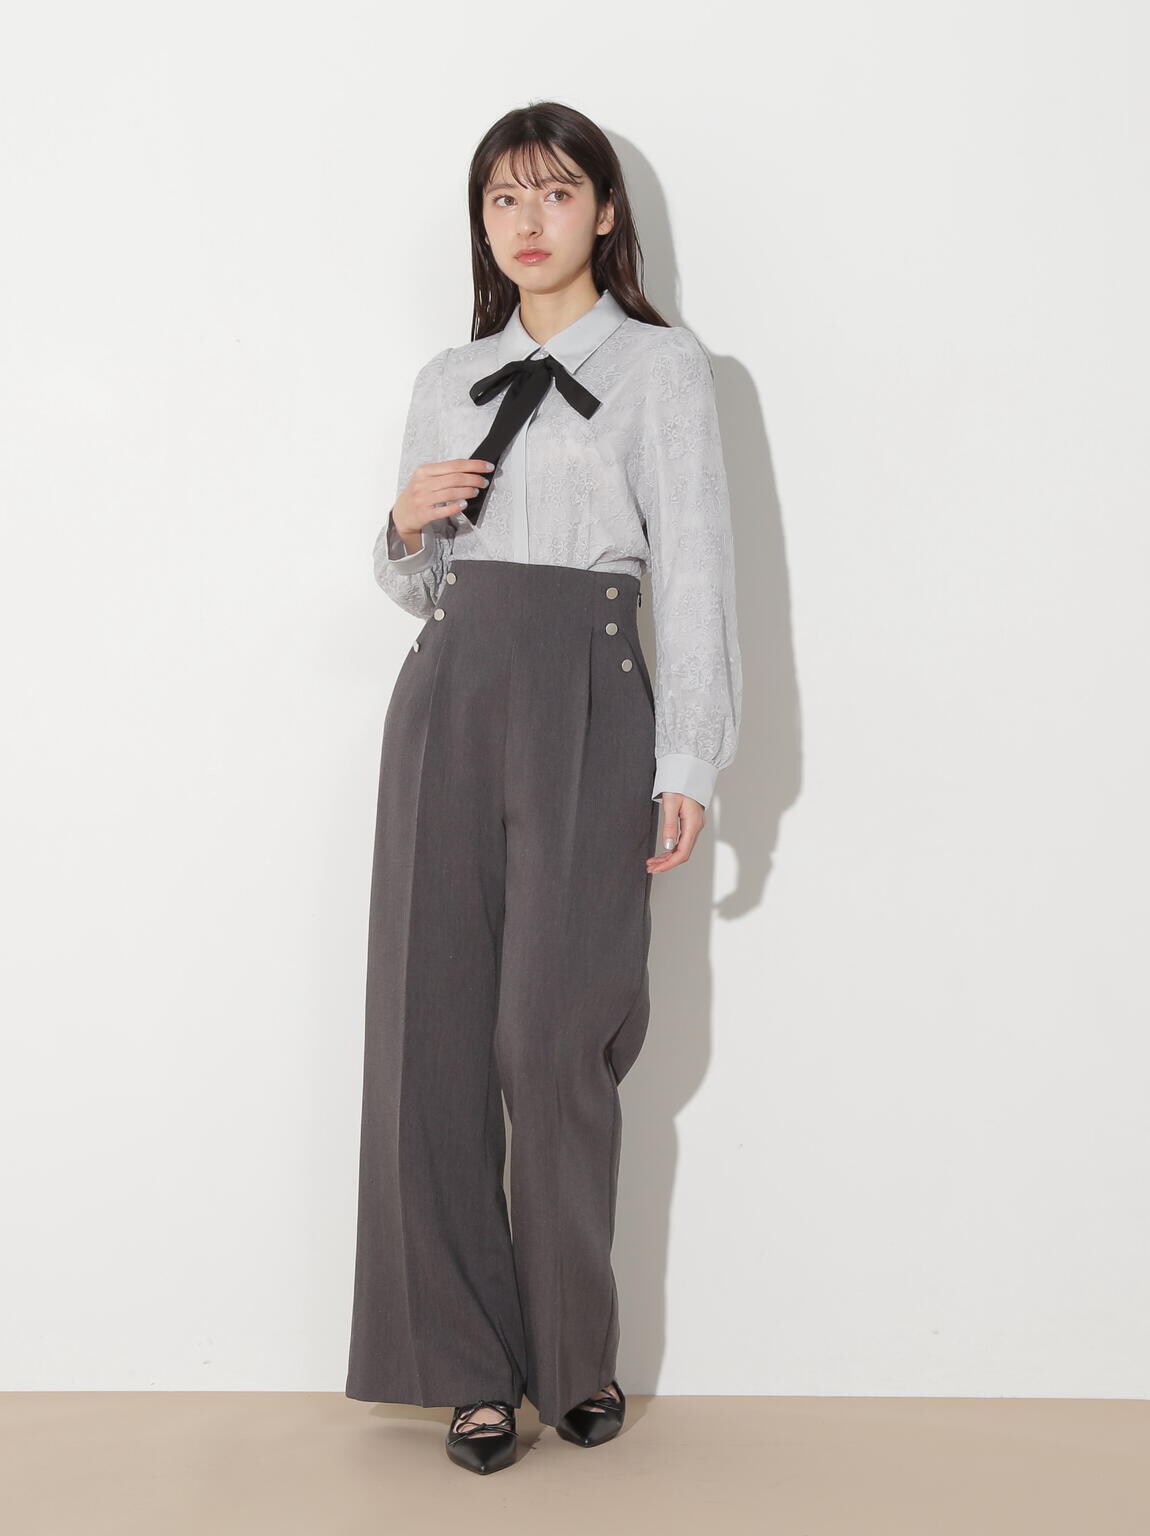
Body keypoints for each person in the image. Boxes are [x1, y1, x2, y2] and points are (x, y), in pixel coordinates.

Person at [344, 101, 743, 1476]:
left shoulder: (661, 369)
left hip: (592, 695)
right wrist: (399, 527)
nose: (527, 221)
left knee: (552, 1040)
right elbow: (418, 583)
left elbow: (698, 567)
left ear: (604, 212)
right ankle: (467, 1370)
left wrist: (689, 756)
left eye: (555, 193)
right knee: (436, 1038)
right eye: (503, 199)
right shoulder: (448, 376)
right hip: (450, 698)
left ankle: (577, 1356)